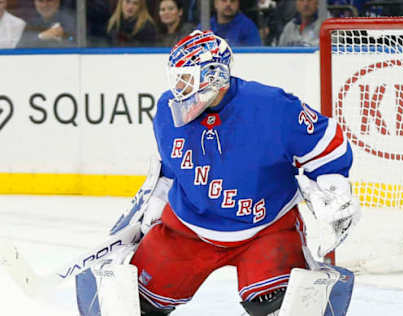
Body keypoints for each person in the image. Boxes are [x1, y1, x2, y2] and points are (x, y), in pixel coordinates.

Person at [76, 30, 360, 316]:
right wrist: (151, 209)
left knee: (286, 308)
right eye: (176, 78)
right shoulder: (166, 111)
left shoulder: (271, 107)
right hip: (187, 229)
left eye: (186, 78)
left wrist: (332, 185)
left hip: (265, 230)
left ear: (216, 77)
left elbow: (329, 144)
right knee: (127, 302)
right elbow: (170, 171)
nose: (178, 88)